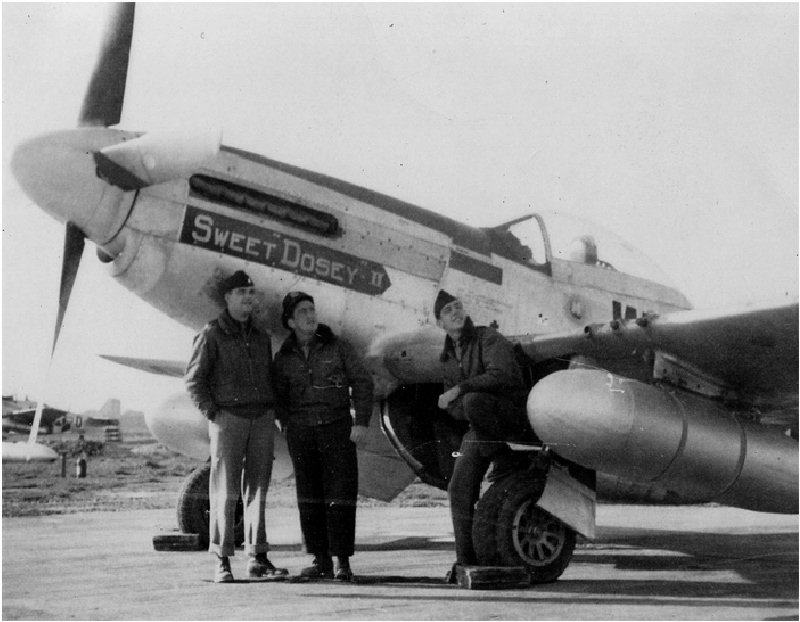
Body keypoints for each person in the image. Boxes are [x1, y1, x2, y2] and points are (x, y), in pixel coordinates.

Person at [185, 270, 288, 583]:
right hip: (229, 419)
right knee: (225, 491)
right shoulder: (211, 334)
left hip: (261, 419)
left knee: (258, 489)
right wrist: (214, 414)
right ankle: (222, 560)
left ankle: (257, 556)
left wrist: (274, 413)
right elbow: (194, 380)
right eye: (240, 292)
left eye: (250, 292)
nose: (247, 298)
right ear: (227, 298)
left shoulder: (260, 336)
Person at [274, 291, 373, 582]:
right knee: (309, 496)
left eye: (312, 309)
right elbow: (279, 394)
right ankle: (320, 560)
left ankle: (342, 562)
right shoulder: (283, 357)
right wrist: (285, 424)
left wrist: (362, 422)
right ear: (290, 321)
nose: (310, 315)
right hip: (301, 432)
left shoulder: (337, 347)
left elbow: (362, 381)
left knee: (340, 495)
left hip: (336, 427)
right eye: (303, 311)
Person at [434, 289, 533, 582]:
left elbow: (503, 375)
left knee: (472, 401)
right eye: (448, 310)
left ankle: (505, 461)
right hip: (481, 426)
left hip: (514, 414)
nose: (456, 312)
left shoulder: (488, 338)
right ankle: (466, 561)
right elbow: (453, 409)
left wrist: (461, 390)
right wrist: (461, 401)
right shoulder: (447, 357)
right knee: (458, 486)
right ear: (440, 322)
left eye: (458, 306)